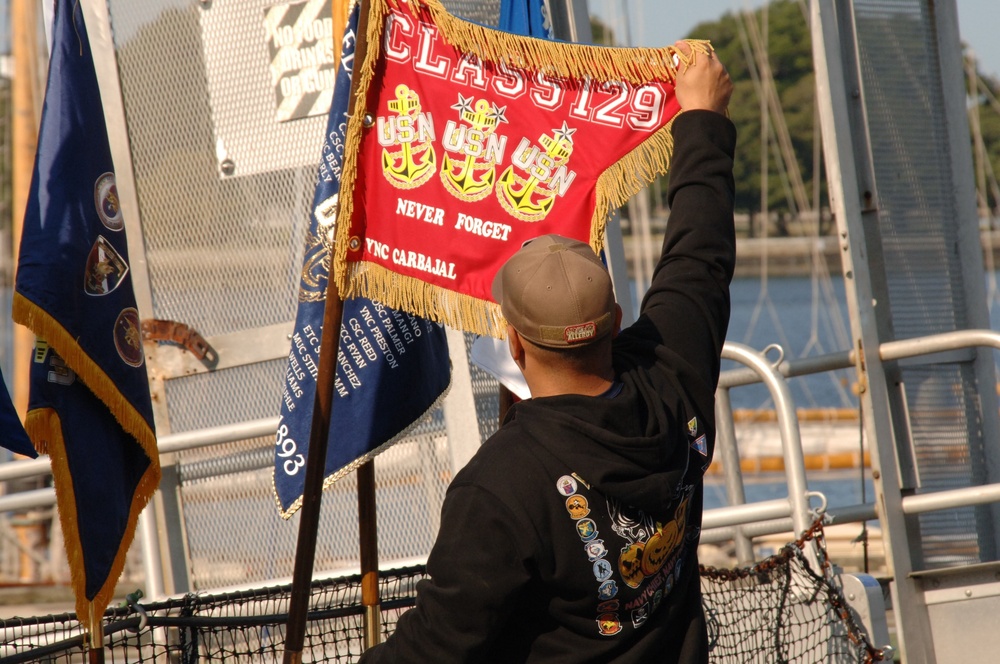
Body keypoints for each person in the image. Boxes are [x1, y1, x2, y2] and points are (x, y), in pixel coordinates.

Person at [360, 41, 735, 663]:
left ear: (512, 342)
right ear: (616, 322)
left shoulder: (501, 487)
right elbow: (701, 252)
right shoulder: (673, 374)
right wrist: (704, 120)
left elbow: (433, 651)